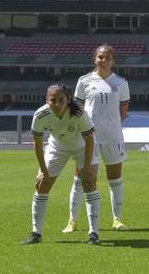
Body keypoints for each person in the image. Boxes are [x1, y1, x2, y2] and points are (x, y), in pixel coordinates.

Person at [63, 45, 129, 234]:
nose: (104, 60)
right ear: (95, 59)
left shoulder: (121, 83)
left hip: (113, 137)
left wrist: (111, 126)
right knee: (80, 178)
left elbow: (122, 113)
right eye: (100, 57)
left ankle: (117, 219)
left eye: (108, 57)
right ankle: (72, 220)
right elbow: (76, 111)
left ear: (113, 61)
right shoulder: (84, 81)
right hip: (87, 138)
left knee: (115, 179)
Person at [22, 84, 100, 245]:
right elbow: (37, 145)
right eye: (53, 100)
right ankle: (36, 233)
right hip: (57, 148)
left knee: (89, 182)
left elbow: (90, 139)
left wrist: (86, 167)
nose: (57, 104)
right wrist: (43, 171)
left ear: (68, 99)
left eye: (61, 100)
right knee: (42, 185)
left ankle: (94, 233)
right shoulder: (40, 114)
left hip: (82, 147)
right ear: (47, 100)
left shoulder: (79, 112)